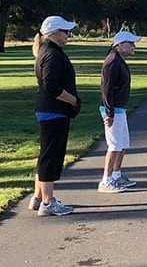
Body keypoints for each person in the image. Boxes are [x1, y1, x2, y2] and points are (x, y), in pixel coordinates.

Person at [29, 15, 81, 216]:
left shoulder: (47, 51)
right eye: (65, 31)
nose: (68, 34)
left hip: (50, 110)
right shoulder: (51, 53)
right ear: (54, 33)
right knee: (51, 156)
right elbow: (51, 85)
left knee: (46, 154)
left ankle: (39, 197)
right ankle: (48, 203)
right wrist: (72, 100)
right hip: (53, 111)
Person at [97, 31, 142, 193]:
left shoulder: (119, 60)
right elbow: (106, 89)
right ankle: (106, 180)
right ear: (120, 45)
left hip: (119, 108)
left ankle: (116, 175)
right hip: (112, 109)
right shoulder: (112, 61)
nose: (133, 46)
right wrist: (109, 113)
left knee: (123, 144)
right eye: (130, 43)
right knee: (114, 145)